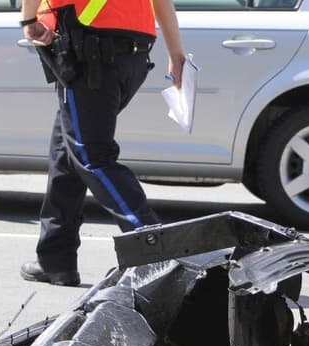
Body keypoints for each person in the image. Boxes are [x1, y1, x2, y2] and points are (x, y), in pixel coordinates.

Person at [18, 0, 186, 286]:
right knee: (66, 151)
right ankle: (56, 260)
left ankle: (153, 245)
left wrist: (28, 21)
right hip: (133, 52)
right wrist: (176, 52)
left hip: (90, 50)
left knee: (92, 156)